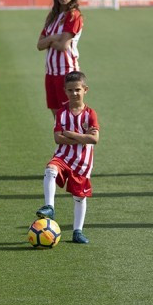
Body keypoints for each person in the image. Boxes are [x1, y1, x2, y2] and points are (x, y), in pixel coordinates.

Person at [34, 71, 99, 244]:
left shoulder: (90, 114)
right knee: (50, 169)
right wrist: (82, 137)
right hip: (63, 156)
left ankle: (77, 231)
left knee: (79, 197)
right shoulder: (61, 113)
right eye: (70, 90)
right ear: (65, 91)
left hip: (83, 162)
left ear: (85, 90)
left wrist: (70, 134)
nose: (74, 93)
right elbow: (57, 138)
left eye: (77, 90)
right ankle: (50, 206)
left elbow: (94, 139)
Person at [37, 0, 83, 117]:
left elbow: (63, 45)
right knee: (58, 118)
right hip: (50, 73)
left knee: (69, 117)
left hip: (66, 73)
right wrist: (53, 38)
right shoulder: (52, 16)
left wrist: (49, 41)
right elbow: (39, 45)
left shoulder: (73, 15)